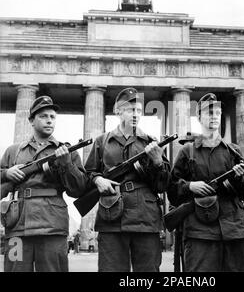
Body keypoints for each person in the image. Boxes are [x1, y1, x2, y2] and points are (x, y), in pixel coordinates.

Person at [84, 87, 170, 272]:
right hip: (111, 217)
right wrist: (98, 179)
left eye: (139, 111)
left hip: (145, 218)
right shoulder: (102, 141)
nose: (135, 115)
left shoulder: (151, 142)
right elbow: (87, 173)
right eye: (131, 110)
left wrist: (157, 162)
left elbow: (163, 185)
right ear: (118, 111)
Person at [167, 93, 244, 272]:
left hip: (234, 229)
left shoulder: (233, 151)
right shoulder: (187, 151)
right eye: (209, 113)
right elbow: (171, 188)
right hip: (200, 232)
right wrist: (190, 186)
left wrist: (238, 178)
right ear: (199, 117)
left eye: (217, 112)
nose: (214, 116)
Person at [0, 96, 88, 272]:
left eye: (52, 117)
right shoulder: (13, 151)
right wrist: (6, 173)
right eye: (43, 116)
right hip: (17, 227)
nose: (49, 120)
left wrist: (67, 164)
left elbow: (79, 189)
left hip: (52, 227)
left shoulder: (65, 150)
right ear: (31, 120)